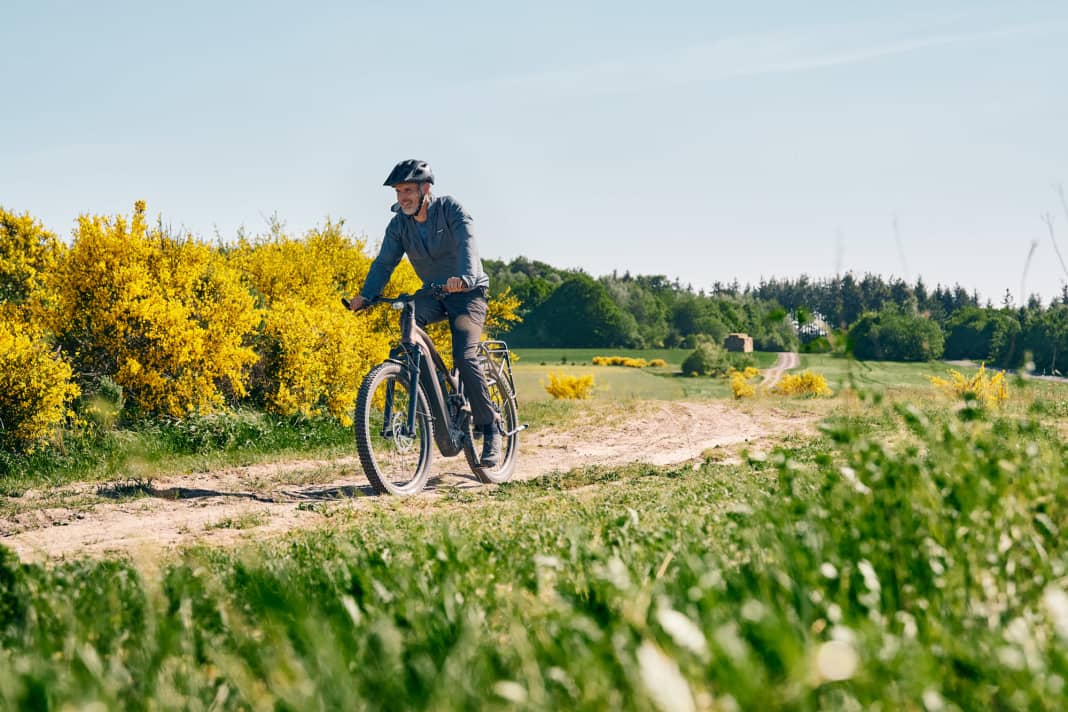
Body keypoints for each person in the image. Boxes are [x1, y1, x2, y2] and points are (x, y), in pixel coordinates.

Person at [347, 159, 501, 466]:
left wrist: (466, 277)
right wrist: (366, 295)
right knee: (408, 320)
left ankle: (490, 426)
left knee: (465, 356)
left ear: (425, 189)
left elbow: (467, 242)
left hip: (467, 294)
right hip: (433, 294)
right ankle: (430, 396)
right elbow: (384, 263)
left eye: (408, 190)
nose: (403, 197)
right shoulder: (399, 225)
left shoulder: (450, 209)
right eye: (398, 191)